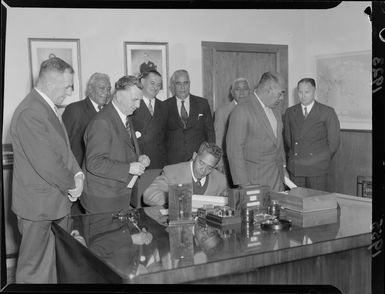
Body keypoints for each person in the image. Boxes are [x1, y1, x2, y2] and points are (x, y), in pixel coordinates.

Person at [10, 57, 84, 283]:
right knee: (34, 273)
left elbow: (64, 150)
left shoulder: (46, 108)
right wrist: (73, 184)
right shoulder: (30, 112)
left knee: (50, 271)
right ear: (51, 84)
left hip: (53, 204)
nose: (70, 92)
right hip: (38, 209)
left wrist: (78, 174)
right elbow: (48, 164)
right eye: (67, 86)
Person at [81, 75, 150, 214]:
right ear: (119, 96)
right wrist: (129, 168)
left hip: (119, 194)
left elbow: (120, 148)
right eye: (135, 100)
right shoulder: (102, 122)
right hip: (102, 199)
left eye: (140, 100)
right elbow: (94, 163)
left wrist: (138, 157)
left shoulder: (125, 116)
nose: (138, 105)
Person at [226, 72, 288, 192]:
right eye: (280, 93)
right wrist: (244, 185)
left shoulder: (276, 109)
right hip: (253, 182)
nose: (281, 98)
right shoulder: (242, 110)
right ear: (267, 89)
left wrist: (284, 170)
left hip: (277, 180)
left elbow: (277, 144)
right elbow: (234, 150)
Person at [283, 78, 340, 191]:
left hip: (317, 168)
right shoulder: (290, 112)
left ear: (314, 91)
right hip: (296, 167)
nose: (302, 96)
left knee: (317, 202)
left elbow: (334, 143)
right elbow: (288, 140)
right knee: (297, 202)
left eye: (307, 92)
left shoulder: (327, 112)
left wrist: (320, 160)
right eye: (300, 92)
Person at [143, 141, 227, 207]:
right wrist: (171, 198)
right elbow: (148, 195)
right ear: (194, 156)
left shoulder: (221, 180)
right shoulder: (172, 172)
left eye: (209, 168)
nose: (203, 170)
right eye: (201, 163)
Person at [164, 69, 215, 165]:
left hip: (199, 160)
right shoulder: (165, 106)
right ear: (173, 86)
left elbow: (210, 133)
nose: (182, 87)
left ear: (189, 84)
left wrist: (210, 158)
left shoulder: (202, 103)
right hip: (173, 162)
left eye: (185, 83)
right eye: (178, 83)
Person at [62, 72, 111, 167]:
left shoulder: (110, 112)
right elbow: (63, 144)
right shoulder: (75, 110)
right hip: (79, 171)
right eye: (102, 88)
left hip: (104, 171)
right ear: (90, 89)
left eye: (109, 89)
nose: (107, 93)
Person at [214, 77, 251, 185]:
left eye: (245, 89)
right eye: (238, 89)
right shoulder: (222, 112)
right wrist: (219, 164)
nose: (242, 92)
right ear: (232, 93)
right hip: (229, 164)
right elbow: (218, 139)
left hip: (252, 165)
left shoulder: (256, 111)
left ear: (250, 91)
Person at [131, 70, 168, 169]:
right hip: (139, 162)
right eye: (152, 83)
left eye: (159, 85)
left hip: (160, 163)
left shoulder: (164, 106)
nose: (155, 87)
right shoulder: (132, 104)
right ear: (142, 81)